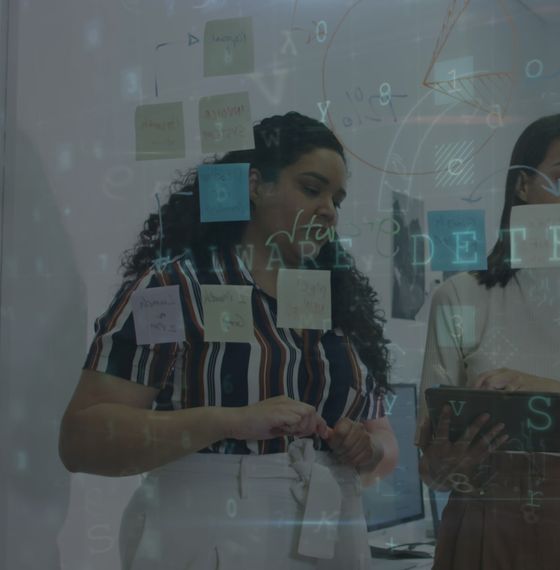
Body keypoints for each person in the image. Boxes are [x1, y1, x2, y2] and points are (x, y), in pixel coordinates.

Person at [59, 112, 399, 569]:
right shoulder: (174, 287)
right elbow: (82, 440)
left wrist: (367, 449)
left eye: (336, 198)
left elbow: (384, 445)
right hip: (209, 531)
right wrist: (228, 421)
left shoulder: (338, 302)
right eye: (312, 189)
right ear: (256, 185)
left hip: (330, 530)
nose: (329, 210)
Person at [415, 114, 560, 570]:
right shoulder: (461, 296)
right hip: (480, 531)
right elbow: (432, 474)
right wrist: (454, 457)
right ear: (521, 188)